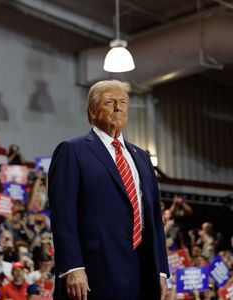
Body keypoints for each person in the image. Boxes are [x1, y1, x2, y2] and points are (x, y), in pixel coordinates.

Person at [48, 80, 169, 300]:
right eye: (110, 102)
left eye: (123, 102)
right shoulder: (72, 150)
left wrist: (160, 269)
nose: (119, 107)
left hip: (142, 266)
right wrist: (73, 266)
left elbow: (154, 218)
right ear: (93, 112)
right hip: (95, 268)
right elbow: (62, 214)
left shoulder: (141, 156)